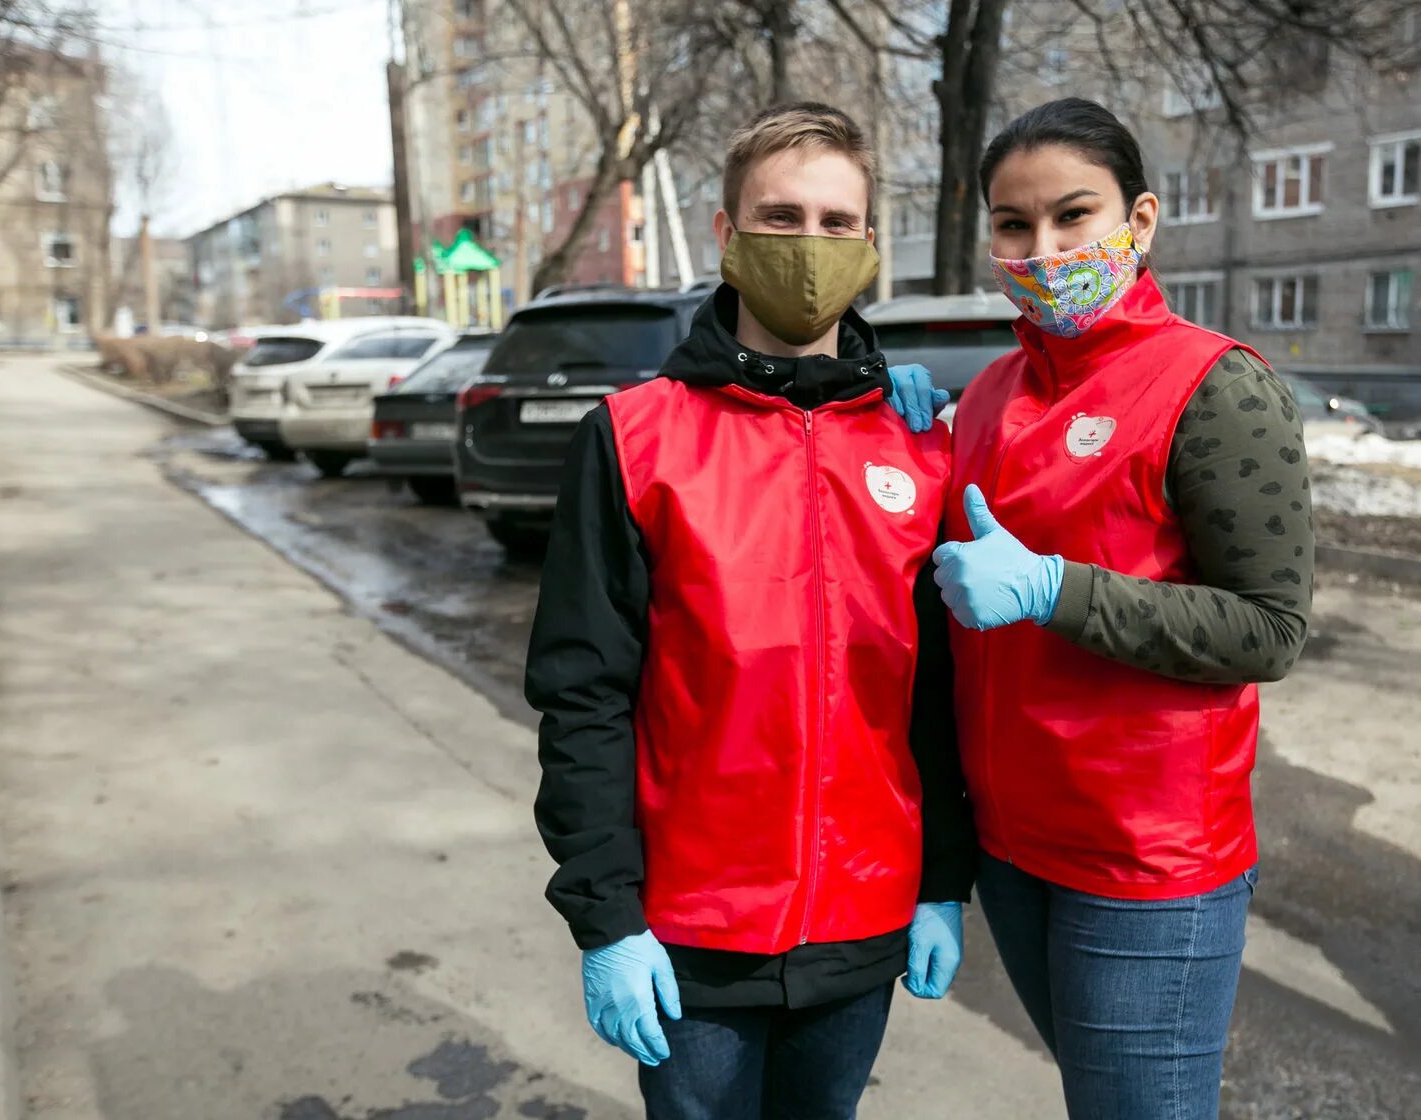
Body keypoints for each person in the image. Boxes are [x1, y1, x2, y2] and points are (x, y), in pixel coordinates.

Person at [524, 102, 975, 1120]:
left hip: (864, 919)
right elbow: (582, 695)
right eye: (780, 218)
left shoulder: (920, 448)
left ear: (868, 244)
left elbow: (939, 688)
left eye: (834, 222)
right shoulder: (636, 443)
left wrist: (943, 878)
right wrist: (607, 919)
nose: (807, 245)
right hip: (690, 934)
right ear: (727, 235)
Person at [930, 98, 1314, 1119]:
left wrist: (1058, 590)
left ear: (1139, 222)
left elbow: (1269, 629)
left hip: (1143, 860)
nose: (1045, 248)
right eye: (1015, 225)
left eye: (1074, 216)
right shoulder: (990, 395)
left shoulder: (1215, 384)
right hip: (1015, 849)